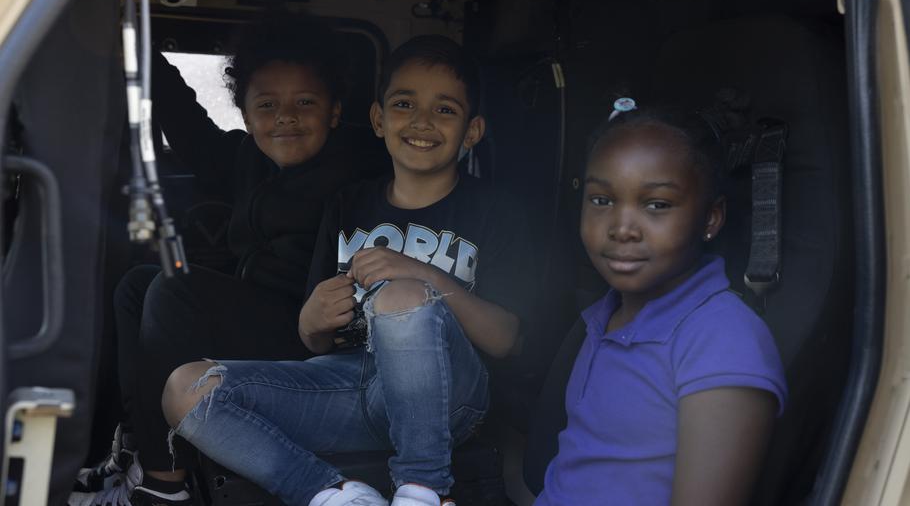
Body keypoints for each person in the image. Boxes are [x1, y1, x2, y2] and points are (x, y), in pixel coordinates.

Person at [158, 35, 527, 506]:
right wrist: (311, 319)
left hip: (449, 400)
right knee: (185, 389)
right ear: (378, 119)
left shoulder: (496, 210)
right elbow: (316, 339)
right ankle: (332, 495)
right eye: (404, 104)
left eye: (445, 110)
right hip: (350, 389)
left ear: (472, 131)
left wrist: (423, 276)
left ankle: (424, 490)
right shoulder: (349, 203)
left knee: (400, 297)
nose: (421, 121)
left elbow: (508, 339)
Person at [70, 13, 364, 506]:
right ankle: (138, 450)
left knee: (173, 287)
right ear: (246, 117)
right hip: (257, 312)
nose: (286, 117)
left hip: (312, 330)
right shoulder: (245, 159)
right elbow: (187, 125)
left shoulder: (358, 167)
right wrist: (139, 48)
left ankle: (165, 486)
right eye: (267, 105)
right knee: (139, 283)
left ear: (335, 112)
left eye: (305, 103)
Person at [534, 99, 788, 505]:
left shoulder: (722, 341)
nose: (621, 228)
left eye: (657, 205)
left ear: (711, 219)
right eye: (602, 200)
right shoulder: (607, 313)